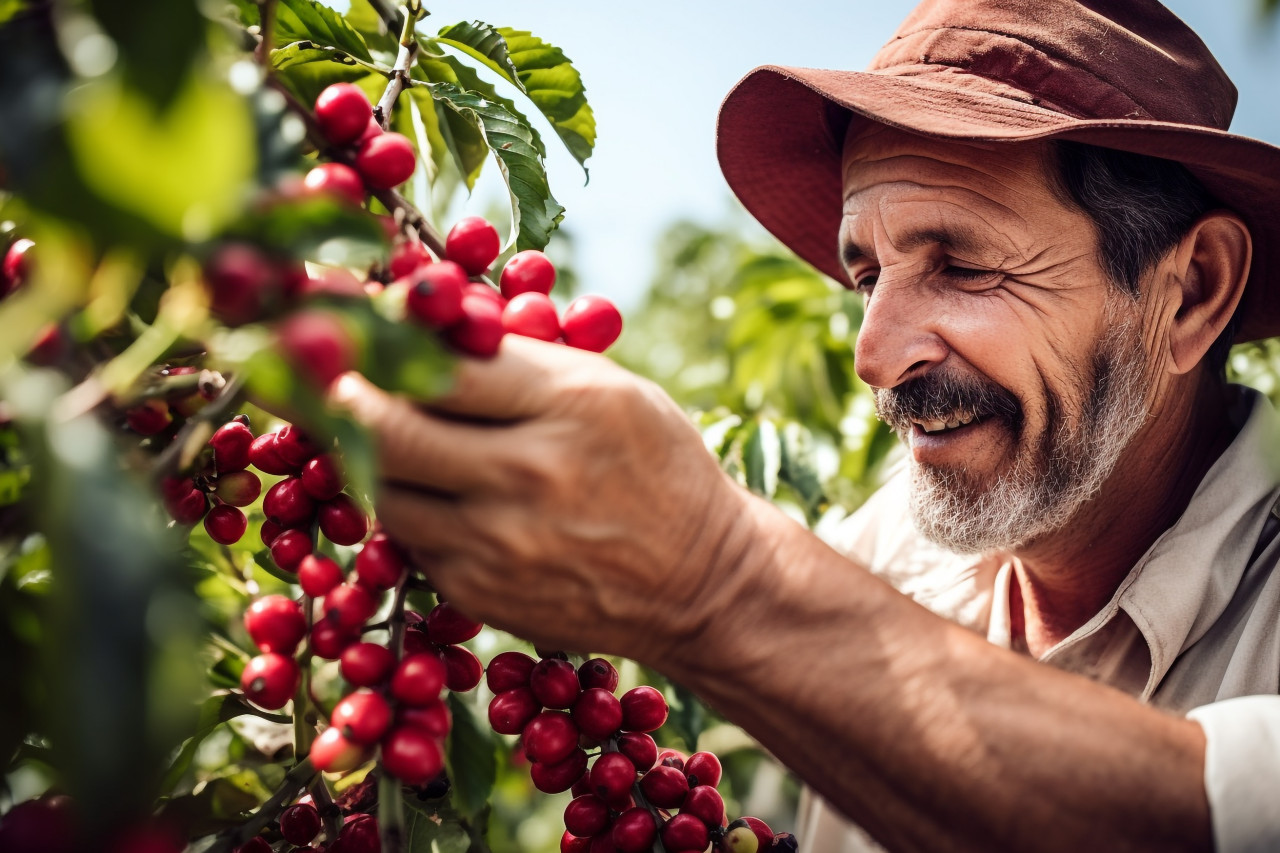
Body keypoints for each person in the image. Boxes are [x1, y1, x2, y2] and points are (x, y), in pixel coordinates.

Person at [330, 0, 1280, 849]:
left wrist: (714, 579)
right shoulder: (879, 556)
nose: (875, 354)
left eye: (964, 265)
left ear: (1190, 292)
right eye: (867, 277)